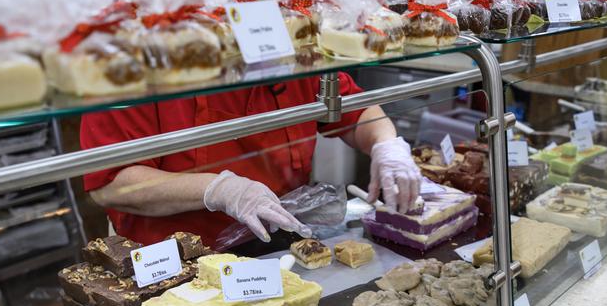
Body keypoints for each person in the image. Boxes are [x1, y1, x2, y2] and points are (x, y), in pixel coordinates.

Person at [81, 72, 422, 247]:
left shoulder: (292, 47)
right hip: (177, 265)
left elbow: (351, 109)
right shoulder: (134, 63)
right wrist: (219, 189)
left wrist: (386, 144)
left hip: (280, 248)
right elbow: (111, 184)